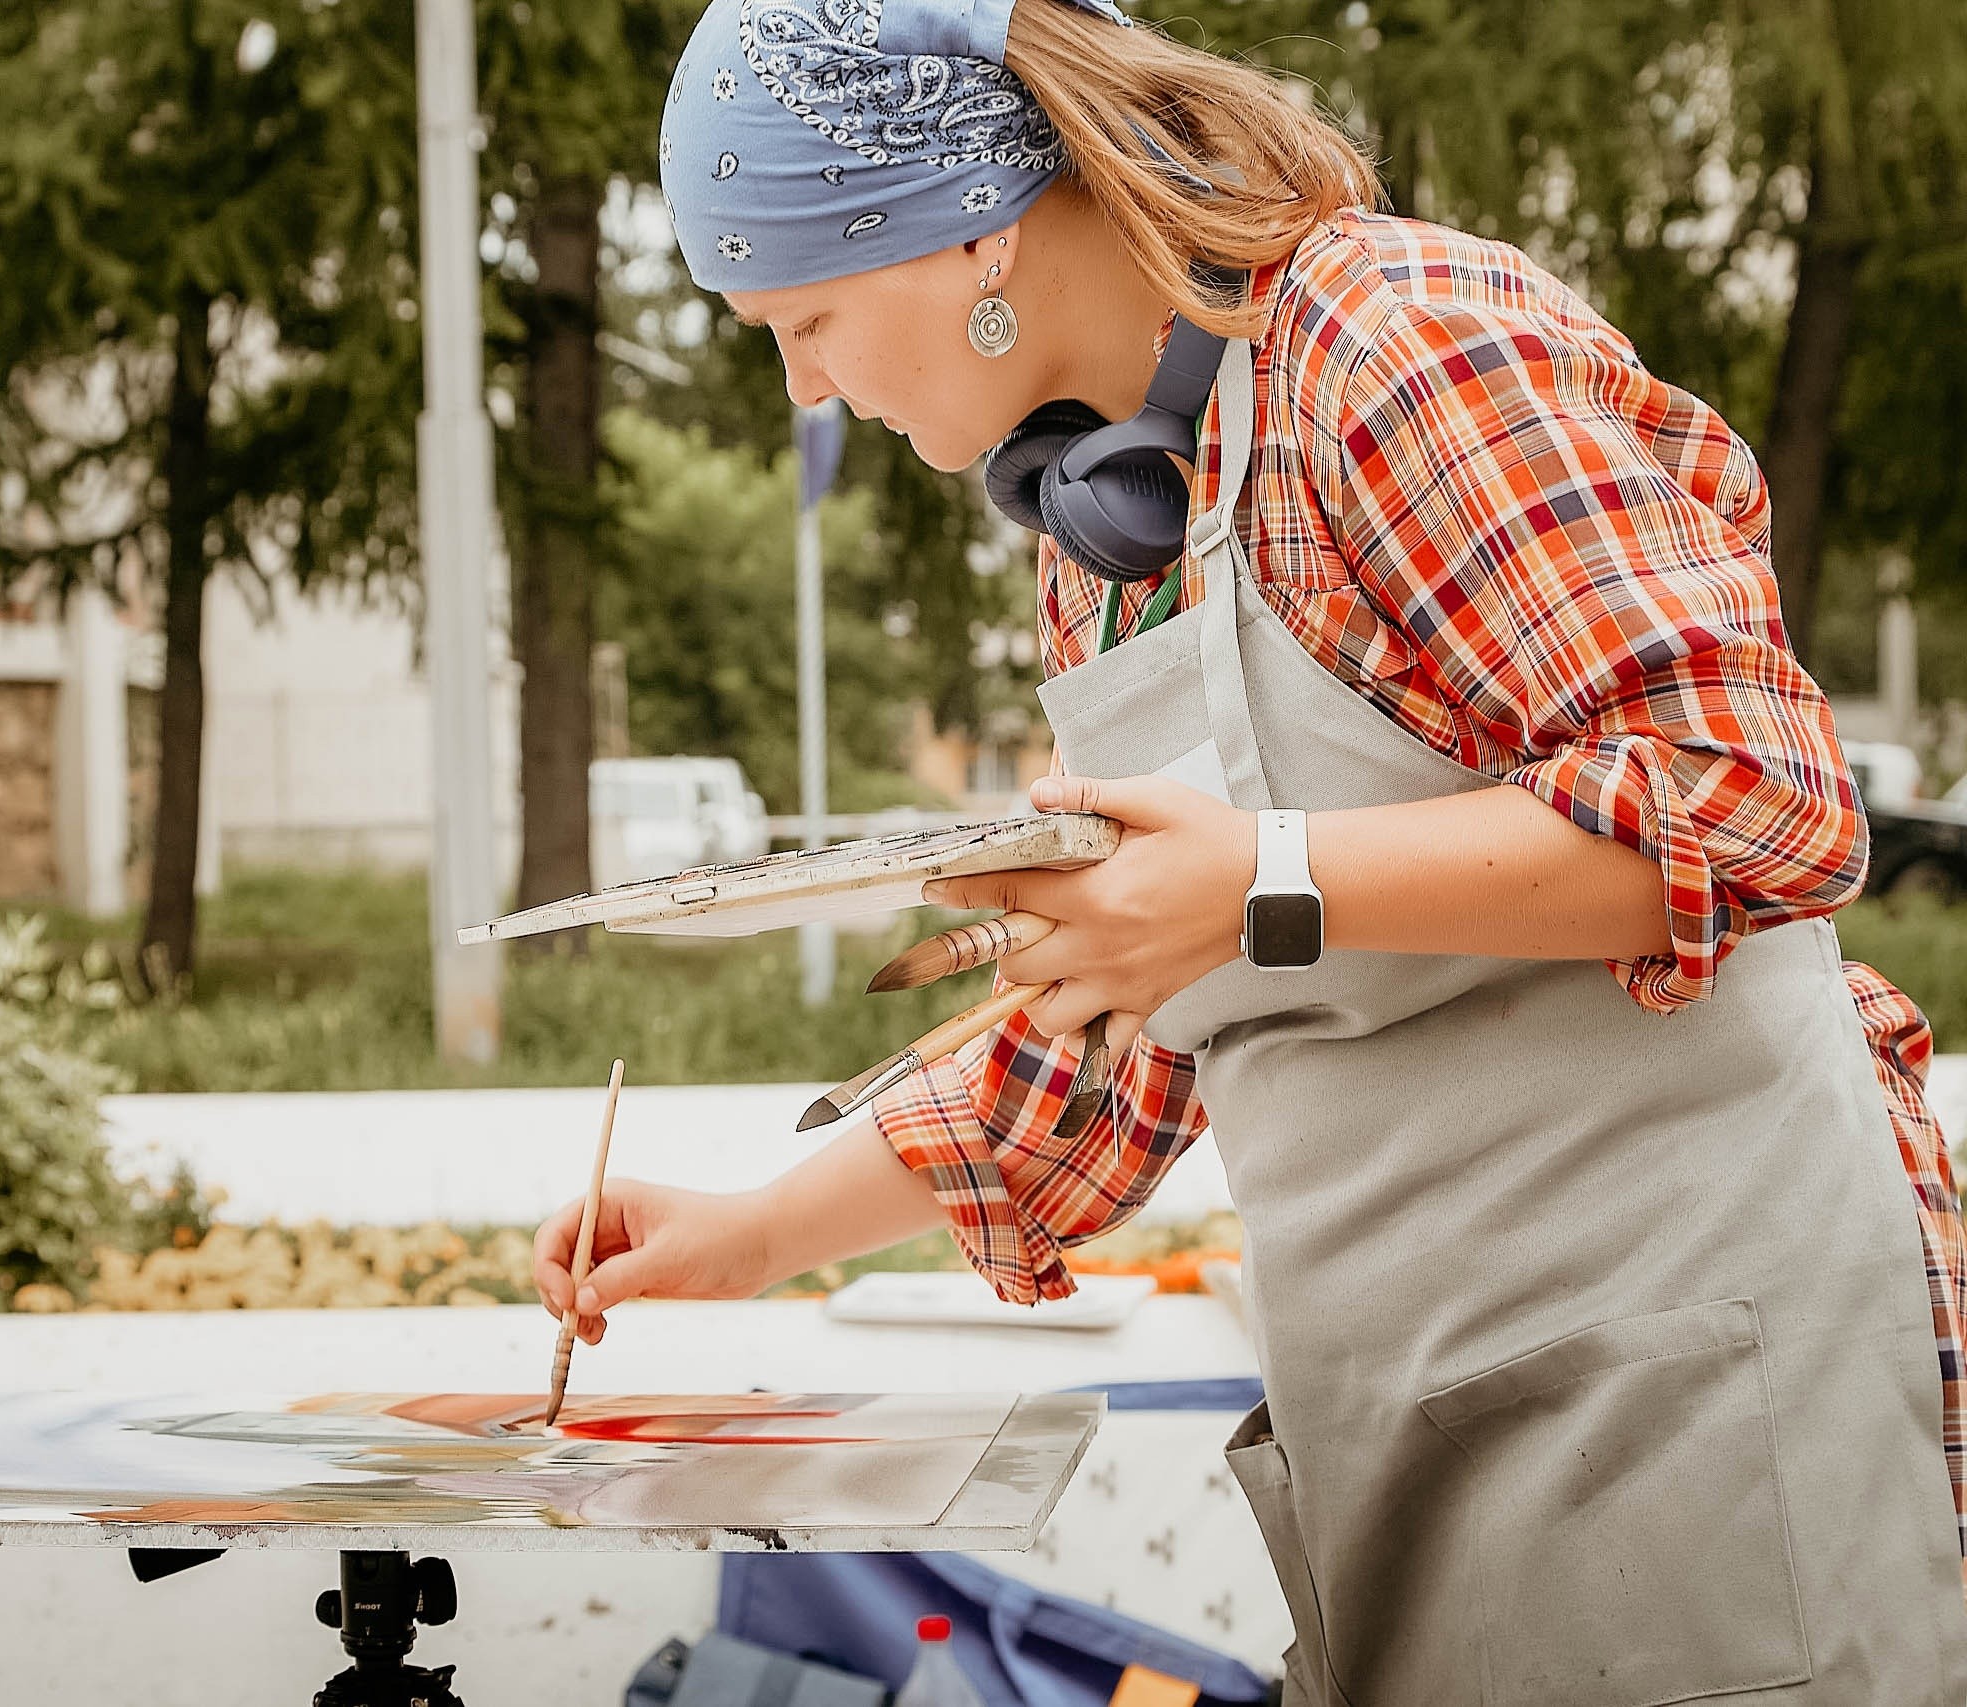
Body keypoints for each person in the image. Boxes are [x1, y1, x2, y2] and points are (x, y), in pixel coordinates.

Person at [531, 0, 1967, 1699]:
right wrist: (749, 1234)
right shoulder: (1106, 523)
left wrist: (1268, 881)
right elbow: (1129, 1012)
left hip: (1701, 1397)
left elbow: (1756, 796)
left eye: (810, 317)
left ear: (971, 225)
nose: (805, 385)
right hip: (1425, 1417)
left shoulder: (1398, 342)